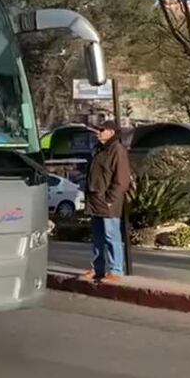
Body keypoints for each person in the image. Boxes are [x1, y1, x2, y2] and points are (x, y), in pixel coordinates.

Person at [83, 121, 131, 283]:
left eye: (101, 130)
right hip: (95, 199)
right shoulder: (98, 149)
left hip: (108, 202)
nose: (98, 132)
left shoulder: (117, 150)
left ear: (111, 132)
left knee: (111, 236)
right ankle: (98, 269)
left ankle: (116, 270)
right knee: (97, 237)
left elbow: (122, 180)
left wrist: (110, 199)